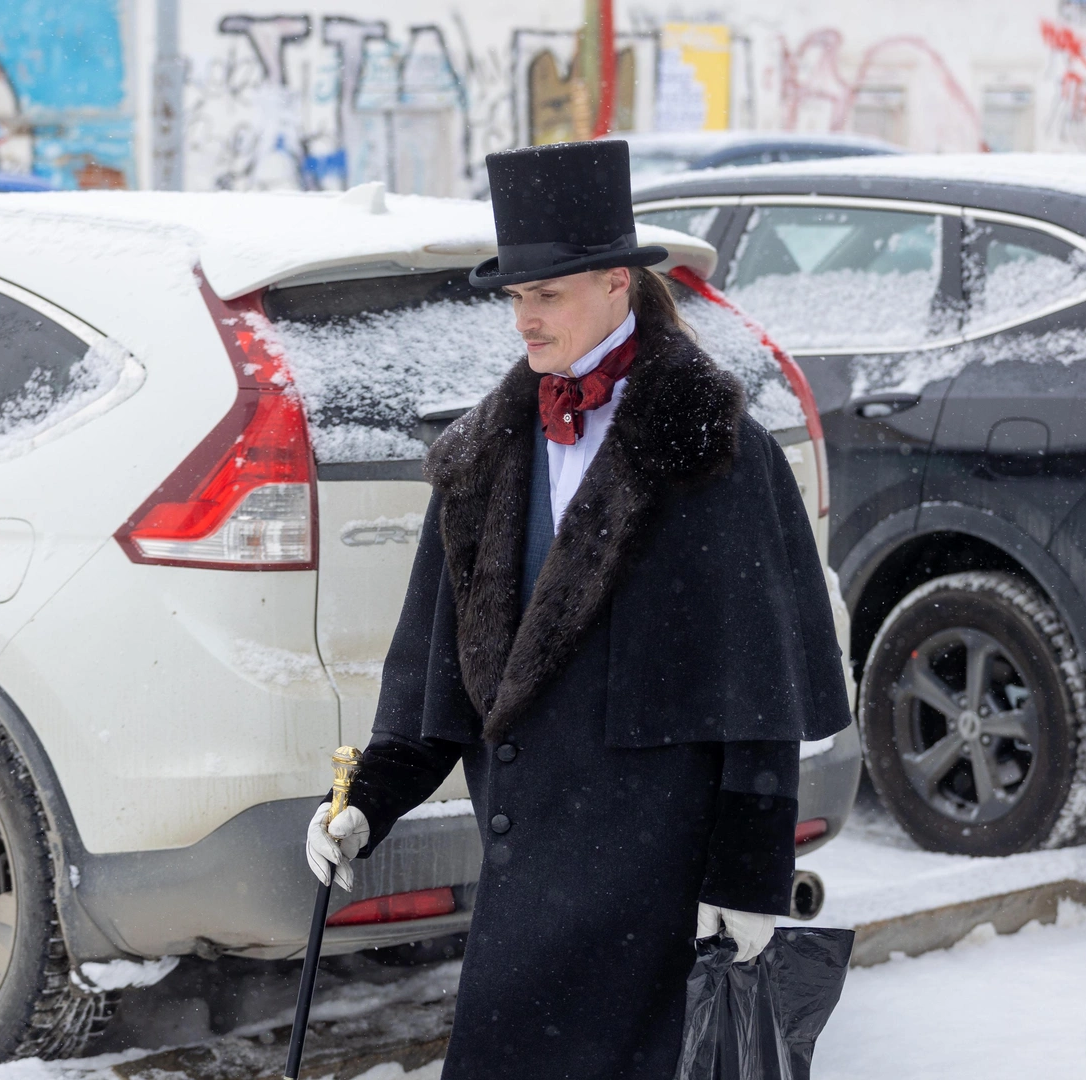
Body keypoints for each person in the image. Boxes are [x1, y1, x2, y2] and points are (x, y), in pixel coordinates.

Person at [303, 139, 851, 1080]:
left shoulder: (713, 449)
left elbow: (759, 683)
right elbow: (439, 659)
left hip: (660, 882)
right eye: (515, 296)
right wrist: (369, 799)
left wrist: (747, 872)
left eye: (547, 295)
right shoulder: (483, 453)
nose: (525, 317)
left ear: (615, 284)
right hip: (528, 880)